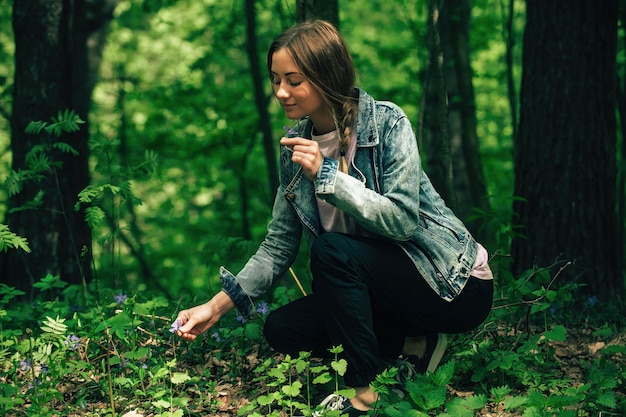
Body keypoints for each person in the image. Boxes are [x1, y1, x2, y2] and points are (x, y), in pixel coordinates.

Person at [174, 20, 493, 417]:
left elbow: (403, 221)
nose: (281, 92)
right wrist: (215, 307)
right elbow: (277, 247)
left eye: (294, 80)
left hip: (452, 287)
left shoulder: (388, 123)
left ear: (326, 76)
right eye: (275, 79)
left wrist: (328, 176)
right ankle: (416, 344)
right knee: (283, 328)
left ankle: (365, 393)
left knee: (332, 251)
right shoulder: (294, 148)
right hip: (387, 292)